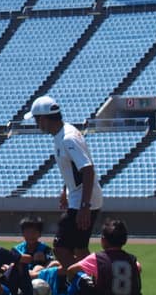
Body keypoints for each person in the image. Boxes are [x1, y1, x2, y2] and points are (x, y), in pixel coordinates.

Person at [26, 95, 102, 271]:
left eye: (37, 120)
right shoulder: (62, 134)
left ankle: (86, 280)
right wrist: (65, 190)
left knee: (60, 247)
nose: (37, 124)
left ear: (44, 119)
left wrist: (84, 206)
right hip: (81, 197)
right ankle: (92, 279)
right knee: (79, 248)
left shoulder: (68, 138)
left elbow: (87, 169)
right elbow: (74, 168)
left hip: (82, 199)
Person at [63, 218, 143, 295]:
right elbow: (139, 268)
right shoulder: (132, 259)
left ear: (103, 239)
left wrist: (71, 282)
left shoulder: (97, 258)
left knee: (79, 276)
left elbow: (71, 270)